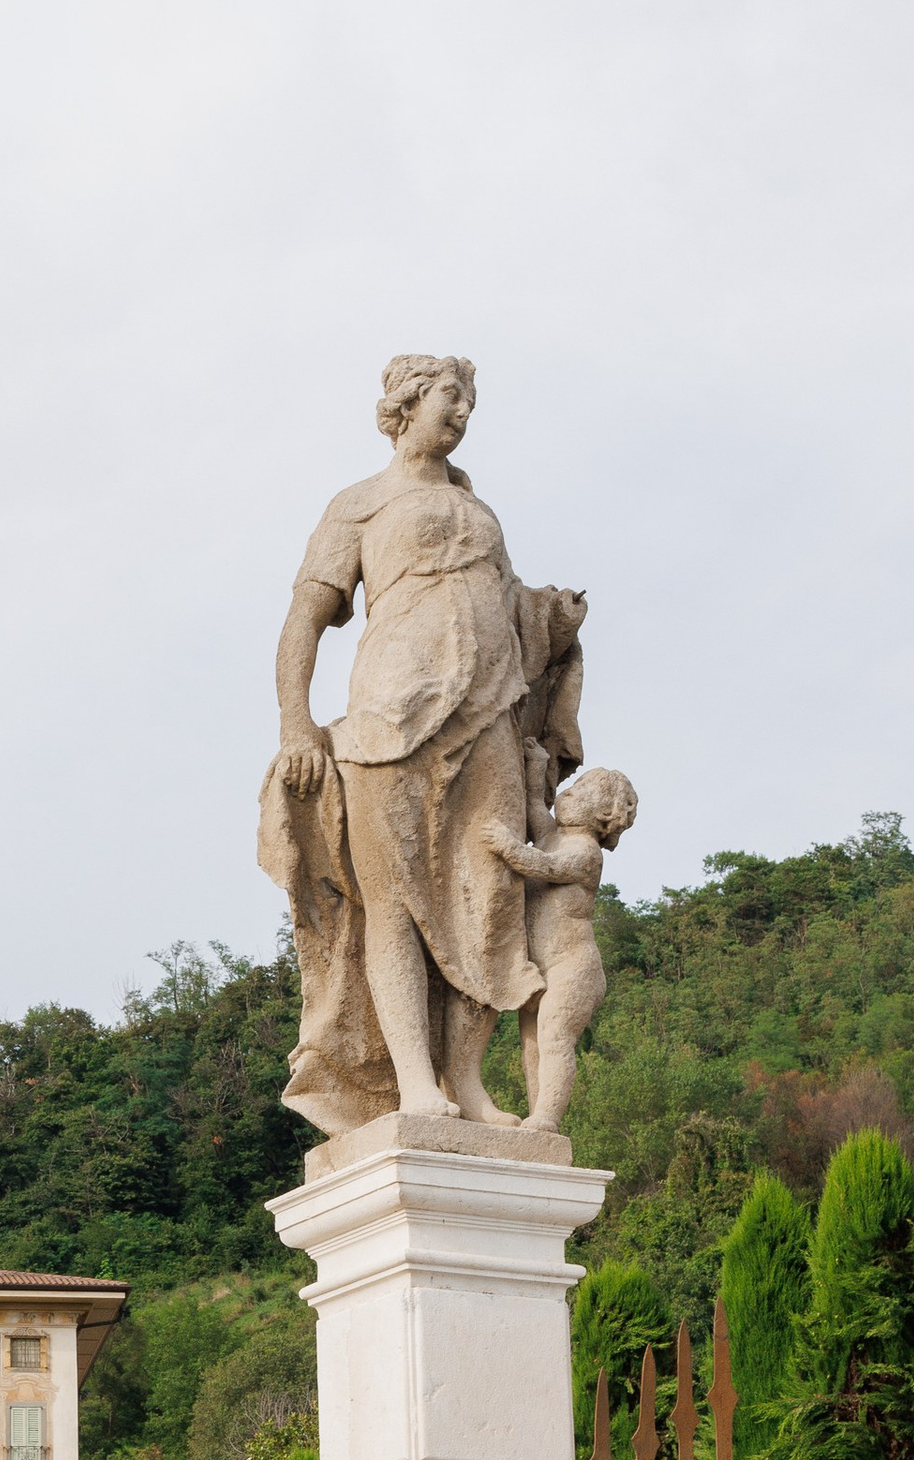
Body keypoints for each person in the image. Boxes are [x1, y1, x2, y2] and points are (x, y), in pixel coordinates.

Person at [256, 354, 583, 1137]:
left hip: (488, 712)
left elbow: (508, 609)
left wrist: (550, 622)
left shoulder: (481, 508)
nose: (463, 411)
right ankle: (412, 1080)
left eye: (470, 399)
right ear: (405, 406)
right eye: (450, 395)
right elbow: (304, 620)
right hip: (388, 716)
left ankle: (464, 1077)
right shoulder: (360, 505)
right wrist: (296, 725)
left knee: (493, 893)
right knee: (393, 900)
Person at [484, 763, 639, 1131]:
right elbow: (538, 807)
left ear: (604, 814)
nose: (569, 793)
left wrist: (507, 845)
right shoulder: (554, 834)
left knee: (554, 1036)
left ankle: (547, 1117)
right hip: (541, 967)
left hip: (574, 966)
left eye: (581, 790)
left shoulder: (585, 851)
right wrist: (536, 767)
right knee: (533, 1045)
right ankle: (538, 1112)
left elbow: (545, 866)